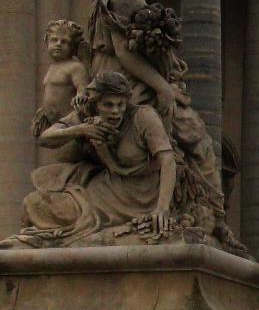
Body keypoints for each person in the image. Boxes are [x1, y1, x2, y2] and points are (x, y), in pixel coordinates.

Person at [88, 0, 246, 252]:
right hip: (126, 83)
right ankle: (218, 220)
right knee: (198, 138)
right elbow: (125, 53)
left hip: (111, 77)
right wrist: (164, 87)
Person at [0, 72, 176, 248]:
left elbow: (168, 160)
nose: (116, 111)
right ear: (95, 104)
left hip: (141, 195)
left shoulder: (143, 116)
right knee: (34, 203)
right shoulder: (85, 117)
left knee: (68, 217)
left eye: (120, 104)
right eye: (108, 104)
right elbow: (44, 138)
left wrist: (162, 208)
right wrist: (80, 130)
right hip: (105, 188)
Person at [32, 20, 89, 137]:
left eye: (64, 41)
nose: (58, 44)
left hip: (69, 123)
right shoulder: (52, 67)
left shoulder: (75, 67)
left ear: (72, 46)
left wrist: (80, 95)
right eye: (54, 40)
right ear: (47, 42)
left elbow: (82, 87)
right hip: (51, 123)